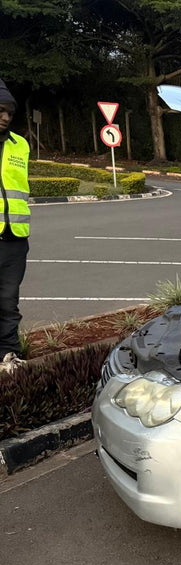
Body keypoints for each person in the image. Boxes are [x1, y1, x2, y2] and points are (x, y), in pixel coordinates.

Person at [0, 77, 30, 373]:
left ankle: (9, 355)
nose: (5, 117)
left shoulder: (20, 145)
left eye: (9, 111)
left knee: (9, 301)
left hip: (15, 237)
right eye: (0, 110)